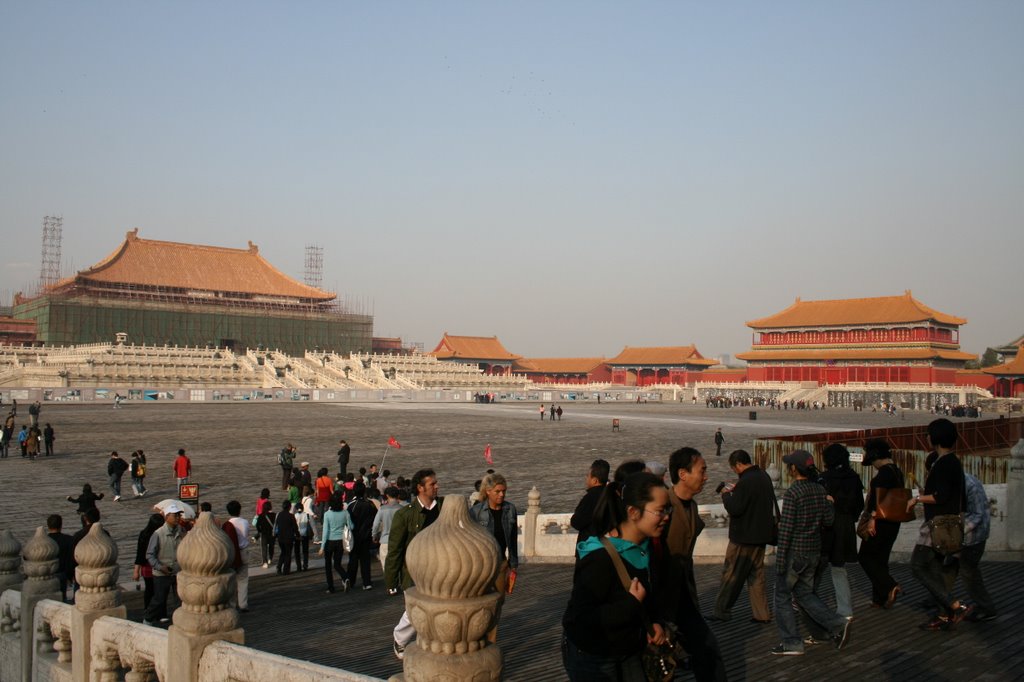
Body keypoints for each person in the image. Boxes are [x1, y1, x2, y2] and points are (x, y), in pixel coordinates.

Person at [562, 472, 670, 681]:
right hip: (595, 655)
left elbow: (648, 594)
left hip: (630, 647)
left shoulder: (647, 548)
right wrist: (631, 604)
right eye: (660, 511)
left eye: (668, 509)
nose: (667, 516)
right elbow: (580, 618)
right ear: (633, 511)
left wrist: (654, 621)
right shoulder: (600, 558)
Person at [771, 450, 851, 655]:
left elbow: (786, 530)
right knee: (805, 594)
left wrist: (780, 561)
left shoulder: (793, 493)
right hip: (813, 551)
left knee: (782, 596)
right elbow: (829, 521)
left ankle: (791, 642)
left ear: (793, 469)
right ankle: (837, 624)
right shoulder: (818, 489)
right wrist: (830, 504)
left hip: (795, 553)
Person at [661, 447, 726, 680]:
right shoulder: (663, 506)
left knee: (707, 651)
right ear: (683, 474)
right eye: (702, 470)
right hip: (661, 597)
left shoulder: (693, 505)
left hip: (683, 593)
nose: (706, 476)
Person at [908, 418, 971, 630]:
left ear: (935, 437)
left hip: (938, 524)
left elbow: (941, 496)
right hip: (947, 523)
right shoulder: (951, 461)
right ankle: (944, 614)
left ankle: (955, 605)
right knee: (934, 568)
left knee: (918, 565)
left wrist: (917, 499)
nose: (926, 437)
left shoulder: (945, 463)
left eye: (928, 434)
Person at [712, 449, 775, 623]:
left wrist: (726, 495)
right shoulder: (763, 476)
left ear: (738, 464)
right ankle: (762, 614)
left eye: (734, 468)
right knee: (757, 576)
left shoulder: (746, 482)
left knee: (731, 574)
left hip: (743, 537)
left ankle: (721, 611)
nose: (735, 471)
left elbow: (735, 508)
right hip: (762, 535)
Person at [385, 468, 443, 660]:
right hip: (415, 570)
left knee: (436, 609)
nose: (436, 487)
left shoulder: (443, 508)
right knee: (415, 610)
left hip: (439, 568)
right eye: (432, 484)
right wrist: (391, 581)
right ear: (420, 488)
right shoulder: (405, 515)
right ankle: (400, 639)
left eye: (436, 483)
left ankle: (430, 643)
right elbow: (395, 550)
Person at [470, 472, 519, 642]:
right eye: (498, 491)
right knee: (480, 602)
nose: (502, 495)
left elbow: (513, 538)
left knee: (497, 603)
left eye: (504, 491)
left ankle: (491, 641)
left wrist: (513, 564)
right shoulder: (476, 512)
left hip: (500, 564)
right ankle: (477, 636)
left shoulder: (510, 509)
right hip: (481, 564)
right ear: (488, 491)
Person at [858, 438, 905, 608]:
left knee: (865, 557)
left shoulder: (884, 473)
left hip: (879, 521)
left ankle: (890, 586)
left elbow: (879, 500)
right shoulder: (896, 472)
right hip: (893, 520)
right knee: (880, 558)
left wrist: (872, 519)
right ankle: (881, 597)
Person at [819, 443, 864, 619]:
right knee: (839, 568)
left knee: (817, 566)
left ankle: (805, 602)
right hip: (846, 525)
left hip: (827, 527)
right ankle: (845, 610)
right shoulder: (853, 477)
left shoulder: (824, 478)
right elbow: (859, 504)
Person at [948, 473, 997, 622]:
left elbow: (977, 514)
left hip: (973, 536)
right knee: (951, 567)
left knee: (969, 572)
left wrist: (957, 532)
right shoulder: (959, 481)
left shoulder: (968, 485)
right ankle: (941, 599)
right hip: (967, 535)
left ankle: (986, 608)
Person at [144, 503, 184, 626]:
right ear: (167, 517)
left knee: (180, 599)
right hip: (162, 572)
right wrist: (160, 567)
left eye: (178, 515)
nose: (177, 517)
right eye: (174, 515)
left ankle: (179, 621)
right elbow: (150, 554)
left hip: (178, 571)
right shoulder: (158, 534)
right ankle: (148, 619)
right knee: (159, 599)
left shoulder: (182, 531)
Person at [570, 459, 610, 559]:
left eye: (588, 476)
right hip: (608, 546)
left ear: (595, 480)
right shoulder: (610, 495)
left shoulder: (590, 497)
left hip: (589, 547)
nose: (586, 479)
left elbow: (576, 522)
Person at [318, 493, 353, 593]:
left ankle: (331, 587)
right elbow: (351, 527)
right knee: (337, 564)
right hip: (340, 542)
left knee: (328, 565)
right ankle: (345, 577)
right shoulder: (345, 513)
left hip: (329, 542)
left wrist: (322, 547)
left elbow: (325, 532)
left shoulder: (327, 514)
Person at [346, 482, 378, 590]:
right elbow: (375, 518)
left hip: (355, 536)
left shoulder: (351, 505)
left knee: (353, 560)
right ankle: (367, 582)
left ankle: (351, 581)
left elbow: (348, 521)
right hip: (366, 535)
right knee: (365, 560)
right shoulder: (370, 504)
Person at [132, 513, 165, 613]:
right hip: (148, 565)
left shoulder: (161, 534)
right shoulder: (146, 535)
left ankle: (159, 612)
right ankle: (149, 610)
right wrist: (136, 571)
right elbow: (140, 553)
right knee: (151, 589)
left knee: (159, 590)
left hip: (160, 564)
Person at [223, 501, 251, 611]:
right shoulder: (244, 522)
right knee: (243, 580)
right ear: (239, 510)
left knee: (232, 580)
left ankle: (232, 604)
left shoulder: (227, 524)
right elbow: (246, 535)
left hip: (232, 553)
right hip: (243, 551)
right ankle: (243, 604)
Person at [372, 486, 406, 574]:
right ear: (398, 495)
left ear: (387, 495)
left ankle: (390, 585)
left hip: (385, 540)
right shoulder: (402, 509)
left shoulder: (382, 509)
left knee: (385, 565)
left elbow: (376, 525)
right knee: (399, 564)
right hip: (399, 541)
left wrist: (374, 535)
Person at [47, 514, 75, 603]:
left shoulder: (44, 540)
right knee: (61, 599)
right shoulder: (69, 539)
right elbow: (72, 559)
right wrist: (70, 576)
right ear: (61, 525)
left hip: (45, 574)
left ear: (48, 526)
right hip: (62, 573)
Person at [273, 500, 299, 575]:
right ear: (289, 507)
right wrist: (298, 536)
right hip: (288, 538)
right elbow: (295, 528)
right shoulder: (291, 516)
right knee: (288, 554)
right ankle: (286, 570)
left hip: (280, 537)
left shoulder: (279, 515)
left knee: (283, 552)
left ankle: (279, 567)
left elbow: (277, 525)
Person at [293, 499, 313, 571]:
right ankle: (305, 565)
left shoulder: (294, 516)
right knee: (305, 551)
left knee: (297, 551)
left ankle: (298, 566)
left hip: (297, 535)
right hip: (305, 535)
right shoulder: (307, 515)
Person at [255, 499, 276, 568]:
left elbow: (257, 525)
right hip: (272, 534)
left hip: (264, 534)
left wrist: (259, 531)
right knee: (271, 546)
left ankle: (265, 562)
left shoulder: (261, 516)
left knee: (264, 548)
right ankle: (270, 559)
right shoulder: (274, 515)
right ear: (270, 507)